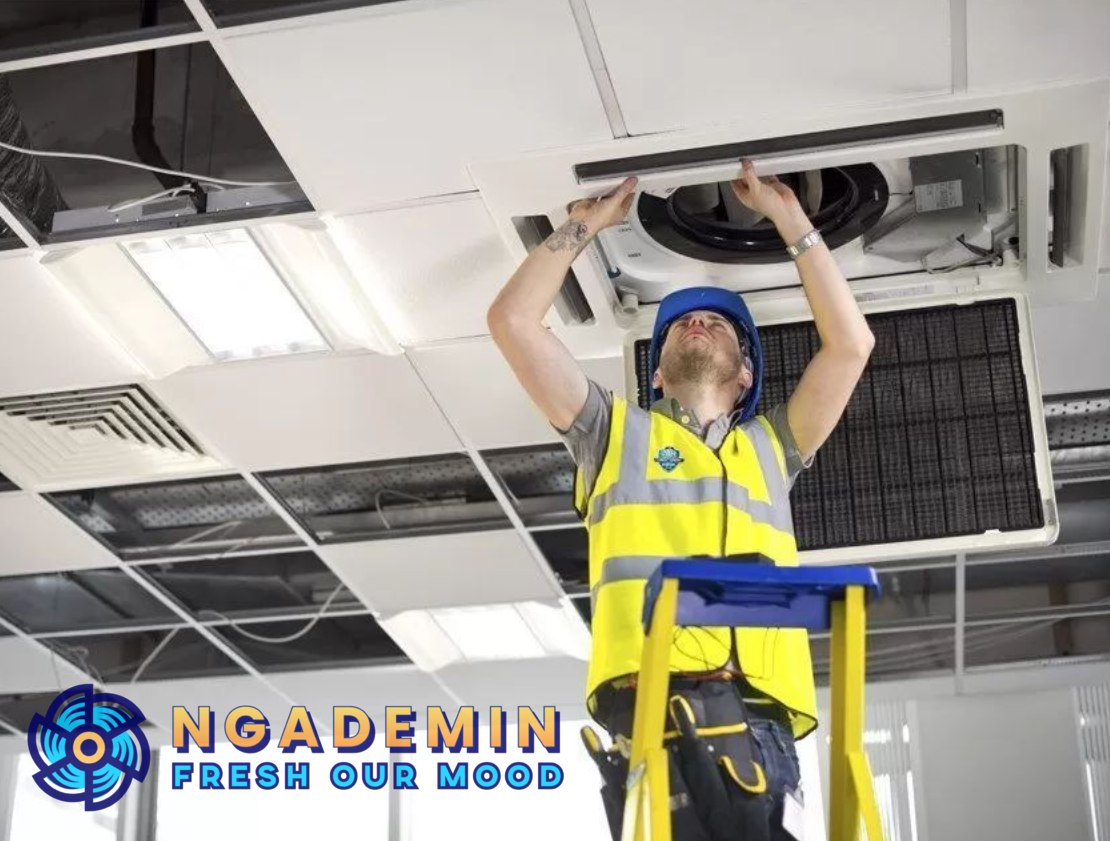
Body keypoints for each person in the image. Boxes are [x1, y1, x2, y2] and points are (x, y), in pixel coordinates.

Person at [487, 161, 874, 840]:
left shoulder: (773, 447)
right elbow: (513, 322)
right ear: (658, 374)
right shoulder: (611, 434)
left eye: (718, 324)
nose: (697, 321)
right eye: (681, 324)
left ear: (746, 373)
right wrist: (582, 226)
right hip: (650, 702)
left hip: (761, 715)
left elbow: (850, 345)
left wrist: (790, 216)